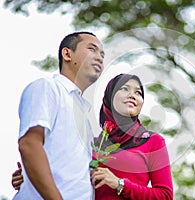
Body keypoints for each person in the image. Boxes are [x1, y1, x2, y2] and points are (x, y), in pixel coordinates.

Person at [13, 73, 174, 200]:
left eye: (138, 93)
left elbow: (165, 196)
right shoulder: (93, 142)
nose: (132, 95)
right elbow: (68, 174)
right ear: (109, 97)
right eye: (124, 89)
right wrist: (29, 176)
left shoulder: (152, 141)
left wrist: (120, 184)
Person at [12, 31, 105, 200]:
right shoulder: (47, 87)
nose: (99, 57)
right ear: (67, 54)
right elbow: (29, 144)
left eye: (102, 54)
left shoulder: (85, 113)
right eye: (92, 49)